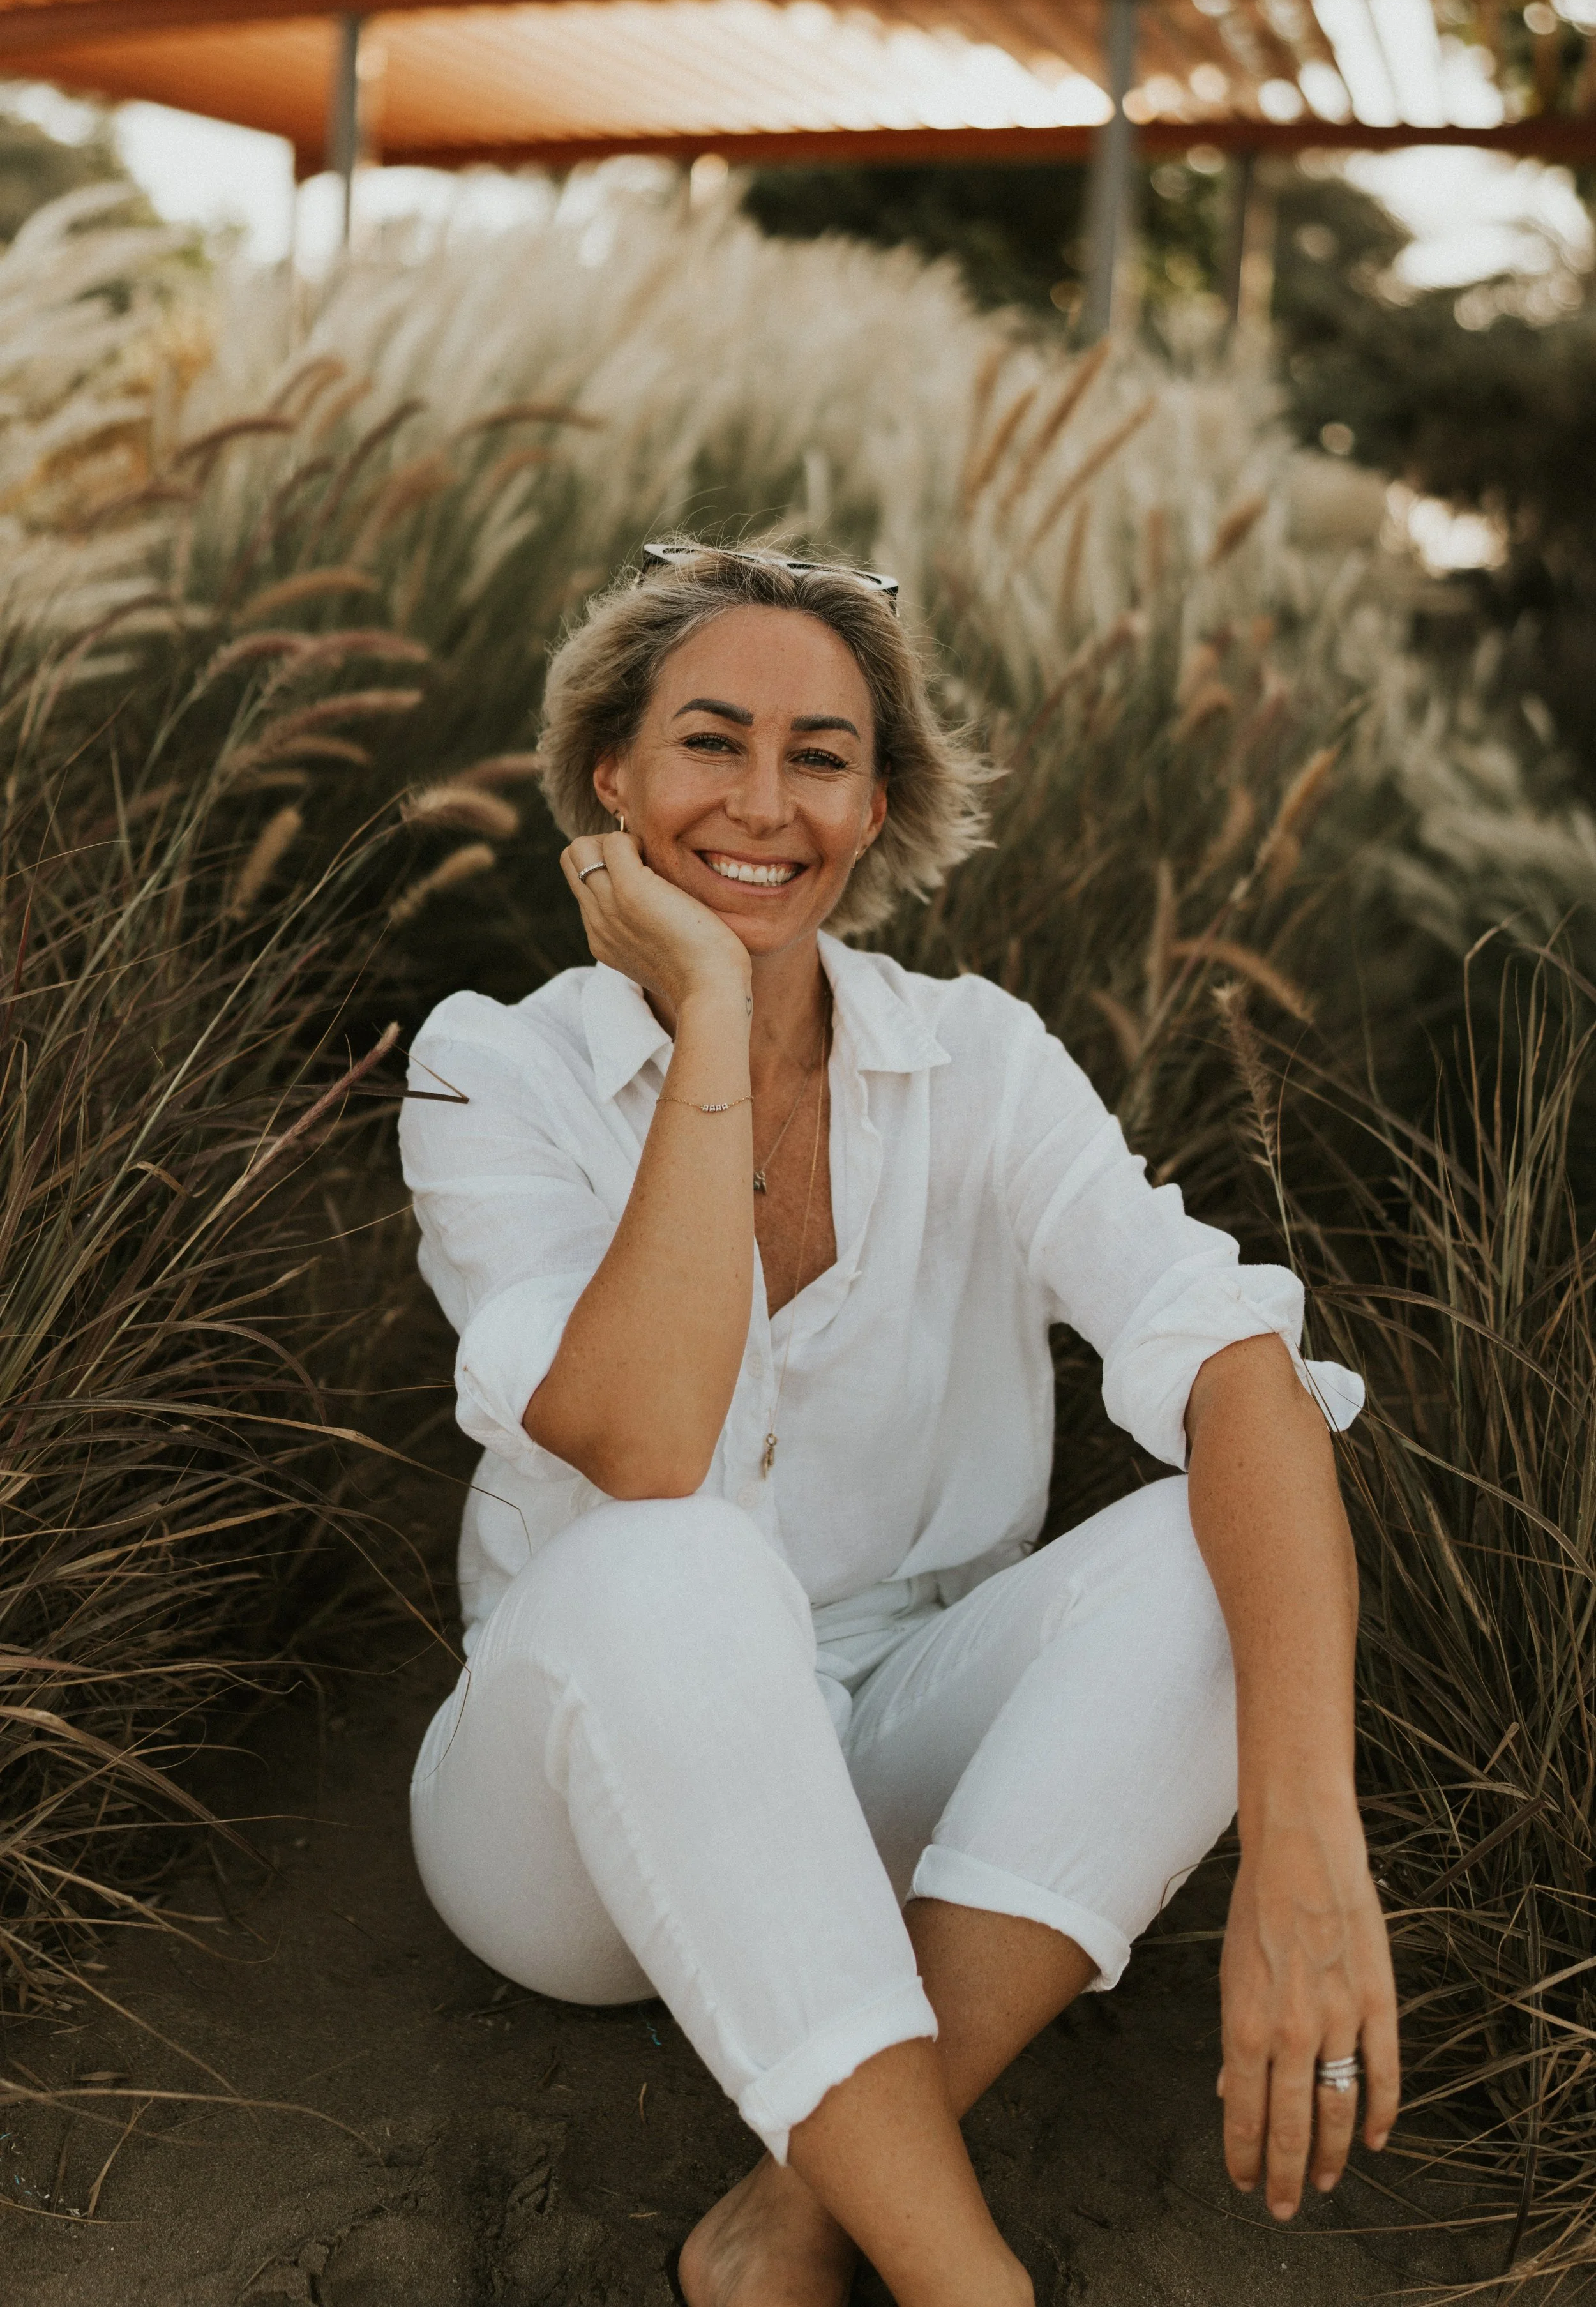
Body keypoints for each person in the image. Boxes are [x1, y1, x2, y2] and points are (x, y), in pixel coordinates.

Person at [399, 543, 1399, 2307]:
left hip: (883, 1794)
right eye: (711, 742)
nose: (764, 803)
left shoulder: (979, 1060)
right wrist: (712, 1006)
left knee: (1221, 1525)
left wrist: (1304, 1837)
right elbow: (639, 1440)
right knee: (676, 1554)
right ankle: (967, 2285)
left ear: (878, 803)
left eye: (821, 755)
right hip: (567, 1826)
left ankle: (786, 2214)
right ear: (610, 780)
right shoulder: (493, 1064)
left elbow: (1236, 1367)